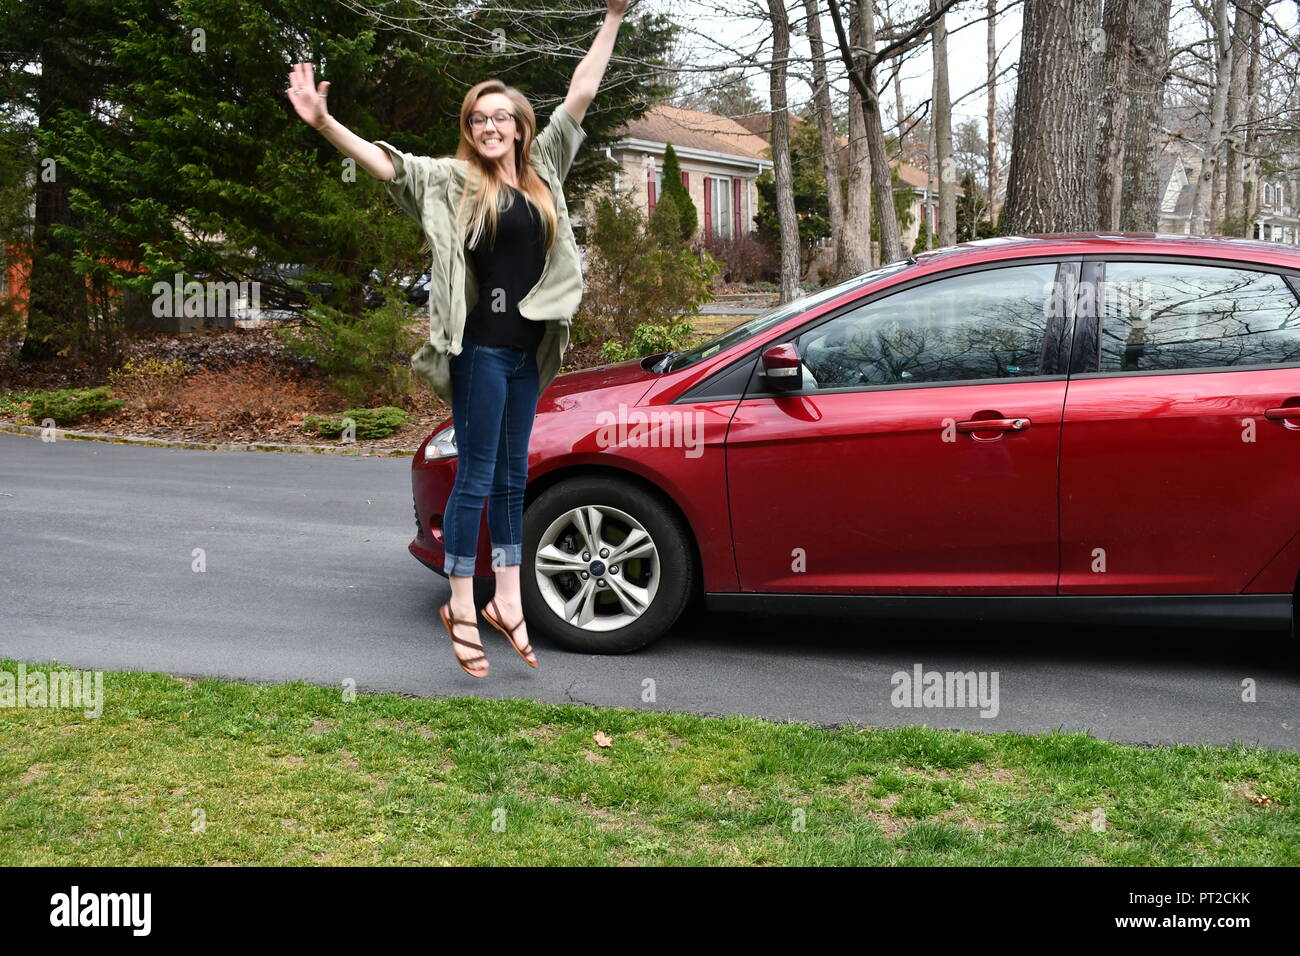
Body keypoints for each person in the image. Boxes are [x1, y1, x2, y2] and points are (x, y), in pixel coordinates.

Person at [287, 1, 628, 677]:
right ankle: (463, 606)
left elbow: (583, 90)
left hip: (530, 353)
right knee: (474, 478)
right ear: (469, 131)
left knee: (511, 478)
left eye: (501, 116)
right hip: (479, 351)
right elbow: (385, 165)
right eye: (478, 119)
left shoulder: (547, 168)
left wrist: (614, 15)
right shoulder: (450, 182)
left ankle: (509, 601)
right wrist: (326, 123)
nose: (490, 125)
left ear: (521, 126)